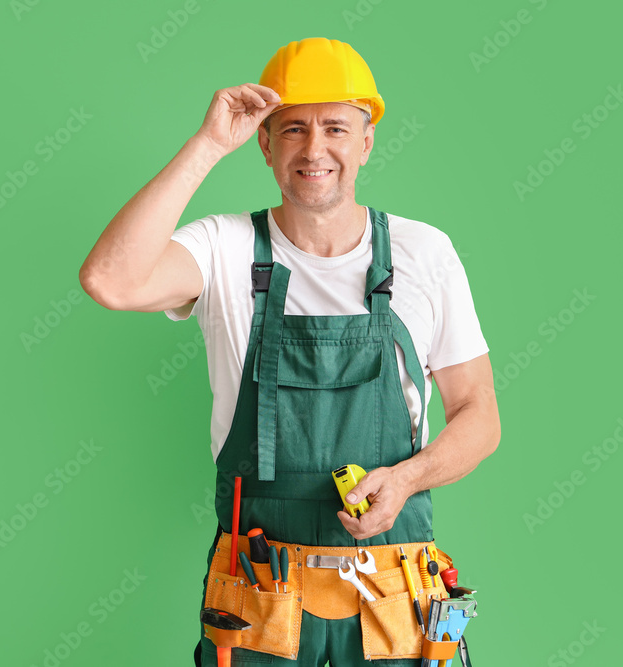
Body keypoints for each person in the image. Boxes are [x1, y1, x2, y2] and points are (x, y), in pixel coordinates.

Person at [79, 37, 500, 667]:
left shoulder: (425, 253)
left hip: (392, 591)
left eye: (335, 127)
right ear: (265, 144)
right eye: (293, 129)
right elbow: (110, 280)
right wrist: (206, 146)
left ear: (366, 141)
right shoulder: (222, 249)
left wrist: (407, 479)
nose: (314, 148)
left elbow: (479, 415)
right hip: (258, 595)